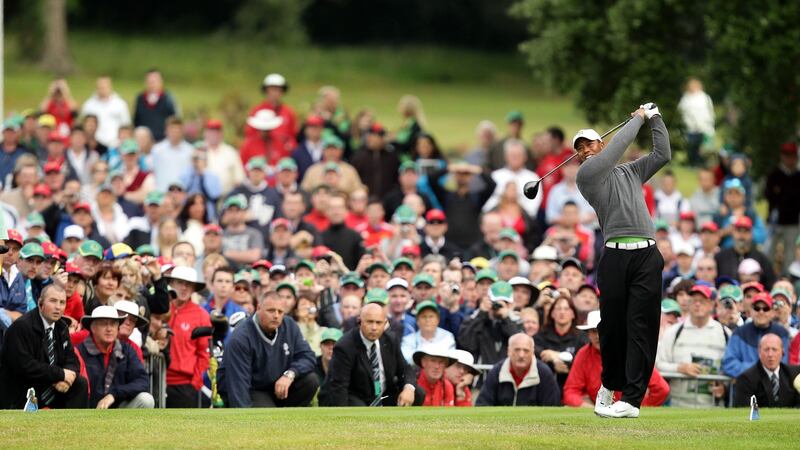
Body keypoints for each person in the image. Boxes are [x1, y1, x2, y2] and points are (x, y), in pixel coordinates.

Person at [575, 104, 671, 418]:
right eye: (580, 148)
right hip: (614, 256)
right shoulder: (587, 174)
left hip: (645, 254)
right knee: (613, 328)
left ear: (600, 144)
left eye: (590, 143)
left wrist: (655, 118)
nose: (586, 150)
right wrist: (638, 118)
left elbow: (662, 155)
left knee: (640, 328)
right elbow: (617, 148)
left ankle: (631, 400)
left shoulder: (630, 171)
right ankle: (610, 384)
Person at [219, 291, 318, 408]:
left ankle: (290, 421)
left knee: (310, 381)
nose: (276, 316)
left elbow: (308, 356)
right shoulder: (241, 337)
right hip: (252, 389)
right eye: (271, 311)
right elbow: (238, 383)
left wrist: (289, 374)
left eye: (280, 312)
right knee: (266, 412)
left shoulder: (289, 325)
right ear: (259, 308)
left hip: (278, 387)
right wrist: (243, 417)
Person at [0, 285, 89, 409]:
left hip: (50, 383)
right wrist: (60, 374)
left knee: (79, 383)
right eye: (53, 301)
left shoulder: (61, 327)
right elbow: (25, 366)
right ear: (40, 303)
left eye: (62, 302)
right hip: (22, 390)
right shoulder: (21, 327)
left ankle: (74, 425)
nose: (58, 307)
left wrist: (66, 379)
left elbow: (72, 360)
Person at [322, 303, 423, 406]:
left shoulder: (390, 340)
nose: (374, 327)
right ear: (360, 321)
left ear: (385, 324)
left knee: (417, 393)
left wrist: (409, 388)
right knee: (360, 408)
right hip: (354, 395)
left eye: (378, 323)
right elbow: (339, 386)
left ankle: (403, 422)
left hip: (383, 395)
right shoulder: (345, 346)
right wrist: (343, 417)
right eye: (370, 322)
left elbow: (405, 369)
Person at [563, 311, 669, 408]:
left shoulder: (630, 352)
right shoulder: (584, 354)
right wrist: (586, 406)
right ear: (588, 334)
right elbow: (570, 391)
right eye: (594, 331)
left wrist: (636, 408)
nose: (598, 336)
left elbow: (661, 389)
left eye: (602, 330)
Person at [655, 285, 730, 407]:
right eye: (694, 300)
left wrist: (724, 388)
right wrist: (680, 368)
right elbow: (658, 364)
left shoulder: (725, 333)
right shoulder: (673, 332)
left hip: (714, 408)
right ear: (689, 304)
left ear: (711, 304)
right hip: (678, 406)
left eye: (702, 301)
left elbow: (730, 368)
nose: (698, 304)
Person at [77, 305, 154, 409]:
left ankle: (129, 426)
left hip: (117, 410)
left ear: (118, 328)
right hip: (85, 412)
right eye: (104, 324)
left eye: (113, 324)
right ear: (93, 328)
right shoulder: (79, 351)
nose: (109, 329)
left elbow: (143, 382)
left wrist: (113, 394)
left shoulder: (126, 350)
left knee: (146, 399)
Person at [164, 266, 211, 408]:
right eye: (180, 282)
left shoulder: (201, 315)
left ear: (193, 288)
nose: (184, 288)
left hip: (185, 385)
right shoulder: (162, 308)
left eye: (188, 284)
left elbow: (204, 353)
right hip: (158, 378)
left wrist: (195, 383)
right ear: (171, 284)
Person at [476, 333, 561, 406]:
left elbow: (552, 407)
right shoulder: (496, 371)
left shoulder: (544, 373)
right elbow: (482, 404)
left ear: (532, 352)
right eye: (517, 350)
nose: (521, 355)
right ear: (509, 351)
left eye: (526, 350)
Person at [722, 293, 790, 378]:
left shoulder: (782, 333)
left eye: (765, 309)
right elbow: (729, 364)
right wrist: (757, 370)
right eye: (757, 308)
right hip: (745, 386)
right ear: (751, 311)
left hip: (772, 387)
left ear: (772, 311)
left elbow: (783, 365)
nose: (761, 312)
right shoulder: (739, 333)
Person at [458, 281, 522, 366]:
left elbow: (519, 344)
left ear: (511, 304)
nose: (499, 306)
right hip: (482, 375)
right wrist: (482, 315)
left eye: (505, 302)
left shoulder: (517, 322)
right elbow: (467, 344)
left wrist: (506, 319)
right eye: (495, 302)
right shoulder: (475, 318)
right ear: (488, 300)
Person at [534, 296, 588, 388]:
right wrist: (547, 356)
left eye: (566, 309)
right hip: (546, 384)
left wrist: (557, 356)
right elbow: (533, 348)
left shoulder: (582, 336)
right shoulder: (542, 334)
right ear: (552, 313)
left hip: (575, 385)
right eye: (558, 308)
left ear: (573, 314)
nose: (562, 312)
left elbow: (586, 359)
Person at [732, 333, 800, 407]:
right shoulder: (746, 379)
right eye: (766, 349)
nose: (770, 354)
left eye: (774, 349)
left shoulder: (794, 374)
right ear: (759, 352)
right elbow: (745, 411)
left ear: (782, 352)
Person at [766, 142, 800, 274]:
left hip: (792, 222)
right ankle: (768, 276)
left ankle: (788, 278)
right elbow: (769, 195)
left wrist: (782, 194)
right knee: (770, 251)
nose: (789, 158)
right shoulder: (774, 174)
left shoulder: (798, 176)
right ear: (782, 156)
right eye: (786, 155)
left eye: (791, 155)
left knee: (790, 253)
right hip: (774, 221)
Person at [81, 76, 132, 148]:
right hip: (95, 145)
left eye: (104, 87)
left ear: (110, 87)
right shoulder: (89, 105)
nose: (102, 90)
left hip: (115, 145)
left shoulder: (120, 104)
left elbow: (126, 125)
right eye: (100, 87)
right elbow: (85, 127)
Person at [677, 77, 714, 167]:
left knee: (701, 146)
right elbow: (681, 110)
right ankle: (691, 162)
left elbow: (709, 111)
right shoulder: (686, 98)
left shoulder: (704, 97)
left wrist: (709, 124)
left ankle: (699, 162)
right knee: (691, 146)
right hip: (690, 126)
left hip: (703, 126)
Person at [133, 69, 178, 141]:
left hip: (163, 140)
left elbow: (174, 119)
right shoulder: (140, 98)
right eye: (149, 81)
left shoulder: (168, 98)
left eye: (154, 81)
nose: (152, 84)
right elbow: (136, 121)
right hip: (144, 141)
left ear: (161, 82)